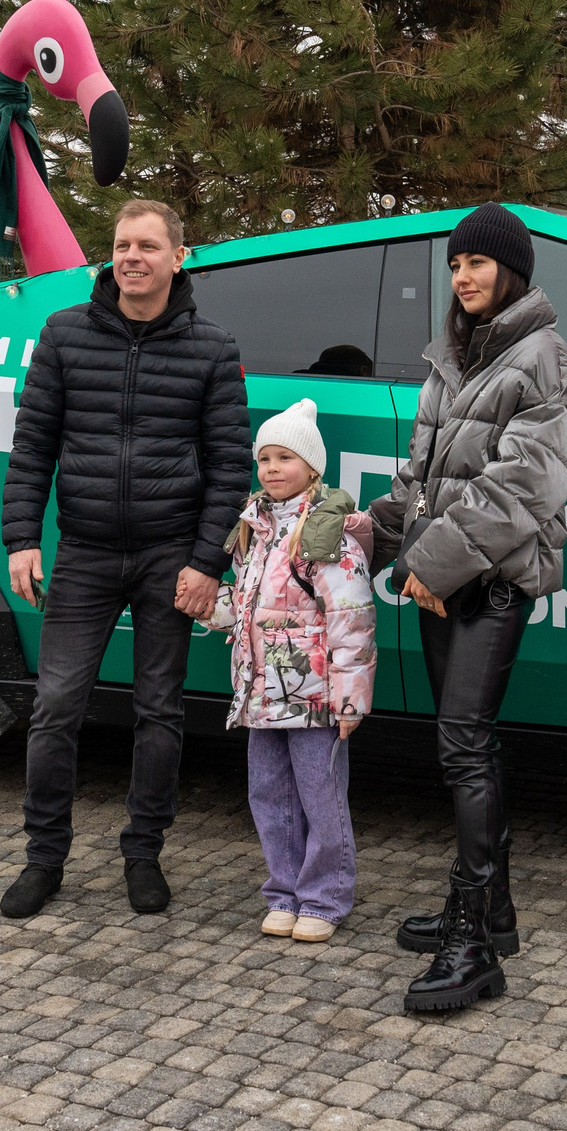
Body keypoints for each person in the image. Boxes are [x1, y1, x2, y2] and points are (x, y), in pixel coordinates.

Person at [0, 198, 249, 918]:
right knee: (54, 708)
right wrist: (22, 537)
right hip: (83, 552)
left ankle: (144, 854)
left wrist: (206, 563)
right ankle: (44, 860)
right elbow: (33, 446)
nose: (131, 257)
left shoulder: (212, 348)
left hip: (171, 558)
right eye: (120, 245)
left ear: (180, 256)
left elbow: (230, 466)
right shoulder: (64, 334)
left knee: (160, 711)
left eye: (146, 245)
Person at [370, 202, 567, 1013]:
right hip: (436, 580)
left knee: (463, 743)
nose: (461, 277)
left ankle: (475, 947)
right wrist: (368, 532)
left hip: (490, 581)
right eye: (455, 264)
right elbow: (421, 482)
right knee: (463, 743)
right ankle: (489, 906)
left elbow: (527, 485)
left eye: (478, 264)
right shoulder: (450, 362)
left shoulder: (543, 357)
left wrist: (428, 562)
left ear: (511, 272)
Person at [202, 400, 376, 942]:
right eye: (265, 459)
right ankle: (283, 891)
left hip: (314, 696)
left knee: (320, 797)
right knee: (269, 795)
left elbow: (351, 620)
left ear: (313, 467)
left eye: (286, 458)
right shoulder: (253, 529)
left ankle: (323, 897)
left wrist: (350, 699)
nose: (272, 469)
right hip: (262, 694)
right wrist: (210, 607)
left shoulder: (327, 535)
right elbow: (249, 604)